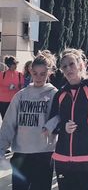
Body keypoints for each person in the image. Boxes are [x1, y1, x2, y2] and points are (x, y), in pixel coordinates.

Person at [49, 48, 88, 190]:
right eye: (64, 66)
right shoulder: (60, 94)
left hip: (86, 155)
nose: (68, 68)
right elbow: (51, 123)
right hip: (62, 156)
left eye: (71, 64)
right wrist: (62, 127)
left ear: (80, 65)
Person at [0, 51, 58, 190]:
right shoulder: (21, 95)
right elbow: (9, 123)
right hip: (21, 153)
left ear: (49, 73)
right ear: (30, 71)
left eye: (43, 74)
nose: (38, 77)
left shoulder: (54, 94)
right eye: (35, 73)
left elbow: (61, 115)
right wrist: (1, 148)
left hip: (44, 153)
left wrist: (51, 125)